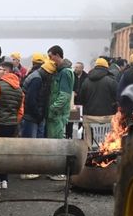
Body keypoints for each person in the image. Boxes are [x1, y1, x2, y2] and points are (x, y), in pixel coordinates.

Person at [0, 61, 24, 191]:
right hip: (12, 124)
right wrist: (13, 120)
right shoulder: (19, 89)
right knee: (6, 153)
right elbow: (21, 111)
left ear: (6, 72)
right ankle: (4, 180)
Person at [45, 52, 75, 180]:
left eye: (51, 56)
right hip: (55, 115)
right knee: (53, 143)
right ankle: (53, 171)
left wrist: (53, 108)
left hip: (58, 115)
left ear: (57, 55)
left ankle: (58, 172)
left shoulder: (65, 72)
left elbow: (64, 95)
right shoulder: (59, 71)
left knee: (57, 144)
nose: (50, 59)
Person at [78, 58, 119, 148]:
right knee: (115, 124)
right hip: (108, 118)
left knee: (87, 130)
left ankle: (89, 149)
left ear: (95, 67)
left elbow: (81, 100)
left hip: (89, 118)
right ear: (106, 68)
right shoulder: (111, 81)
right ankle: (109, 149)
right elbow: (118, 98)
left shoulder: (86, 81)